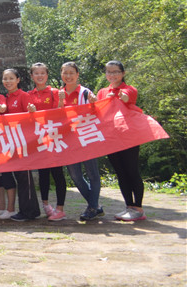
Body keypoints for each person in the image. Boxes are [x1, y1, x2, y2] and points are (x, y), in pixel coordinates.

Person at [96, 60, 145, 221]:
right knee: (121, 173)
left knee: (132, 171)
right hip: (111, 138)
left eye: (116, 72)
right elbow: (99, 111)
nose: (112, 75)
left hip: (129, 137)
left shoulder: (129, 89)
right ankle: (129, 206)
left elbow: (127, 97)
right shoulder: (102, 92)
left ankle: (138, 208)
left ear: (123, 73)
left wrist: (120, 97)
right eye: (109, 72)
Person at [58, 62, 102, 221]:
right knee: (75, 175)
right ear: (61, 75)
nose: (68, 76)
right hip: (69, 141)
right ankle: (95, 206)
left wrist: (94, 104)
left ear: (77, 75)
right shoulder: (59, 94)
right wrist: (60, 101)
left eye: (71, 73)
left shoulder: (85, 93)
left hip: (86, 138)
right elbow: (55, 118)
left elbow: (97, 114)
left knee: (92, 175)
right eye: (65, 73)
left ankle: (92, 208)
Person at [0, 68, 39, 222]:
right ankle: (27, 210)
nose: (8, 81)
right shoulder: (5, 98)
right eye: (5, 79)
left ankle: (29, 212)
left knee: (24, 178)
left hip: (23, 143)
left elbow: (31, 117)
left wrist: (32, 111)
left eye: (11, 78)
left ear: (18, 80)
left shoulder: (24, 96)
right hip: (10, 143)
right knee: (19, 178)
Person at [28, 62, 67, 221]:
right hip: (38, 139)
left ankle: (60, 208)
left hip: (54, 138)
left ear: (47, 75)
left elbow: (61, 114)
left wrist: (60, 101)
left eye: (42, 73)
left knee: (58, 174)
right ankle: (46, 205)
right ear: (32, 76)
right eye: (36, 73)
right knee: (43, 173)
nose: (40, 76)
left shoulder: (55, 92)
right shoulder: (29, 95)